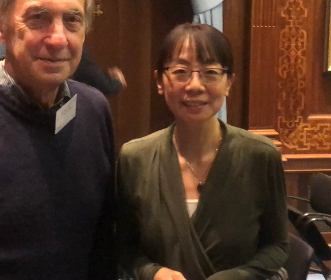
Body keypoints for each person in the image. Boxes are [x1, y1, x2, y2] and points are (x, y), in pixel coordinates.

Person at [0, 0, 117, 279]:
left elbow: (102, 243)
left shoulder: (94, 110)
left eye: (72, 20)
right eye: (38, 17)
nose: (57, 39)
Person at [116, 23, 288, 280]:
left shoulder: (259, 156)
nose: (195, 85)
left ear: (229, 83)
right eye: (181, 71)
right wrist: (153, 272)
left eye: (210, 72)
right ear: (159, 82)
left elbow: (277, 246)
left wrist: (236, 277)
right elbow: (124, 247)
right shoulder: (135, 158)